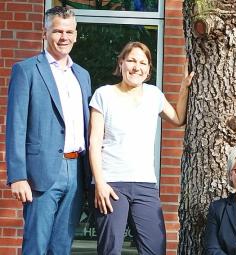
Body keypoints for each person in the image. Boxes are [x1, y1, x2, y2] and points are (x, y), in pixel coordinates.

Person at [88, 41, 194, 254]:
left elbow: (178, 118)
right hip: (111, 185)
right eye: (131, 60)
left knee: (155, 248)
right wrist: (99, 182)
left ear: (148, 70)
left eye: (142, 63)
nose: (136, 67)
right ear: (121, 63)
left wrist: (183, 88)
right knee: (110, 250)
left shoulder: (154, 95)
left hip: (145, 185)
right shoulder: (104, 94)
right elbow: (94, 142)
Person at [6, 6, 91, 254]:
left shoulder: (82, 75)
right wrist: (18, 176)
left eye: (69, 31)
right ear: (45, 33)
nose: (63, 37)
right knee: (36, 245)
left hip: (76, 172)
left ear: (76, 35)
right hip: (40, 173)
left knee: (62, 247)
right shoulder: (27, 70)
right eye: (57, 31)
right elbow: (16, 125)